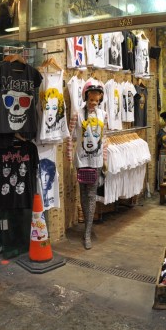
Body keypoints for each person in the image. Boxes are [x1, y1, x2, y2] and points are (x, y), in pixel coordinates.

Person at [69, 80, 106, 250]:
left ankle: (87, 232)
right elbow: (71, 137)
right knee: (83, 193)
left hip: (96, 160)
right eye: (91, 99)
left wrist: (104, 159)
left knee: (91, 194)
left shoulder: (103, 115)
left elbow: (104, 139)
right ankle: (87, 227)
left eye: (96, 100)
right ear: (85, 97)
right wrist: (70, 159)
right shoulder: (77, 114)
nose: (93, 103)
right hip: (81, 159)